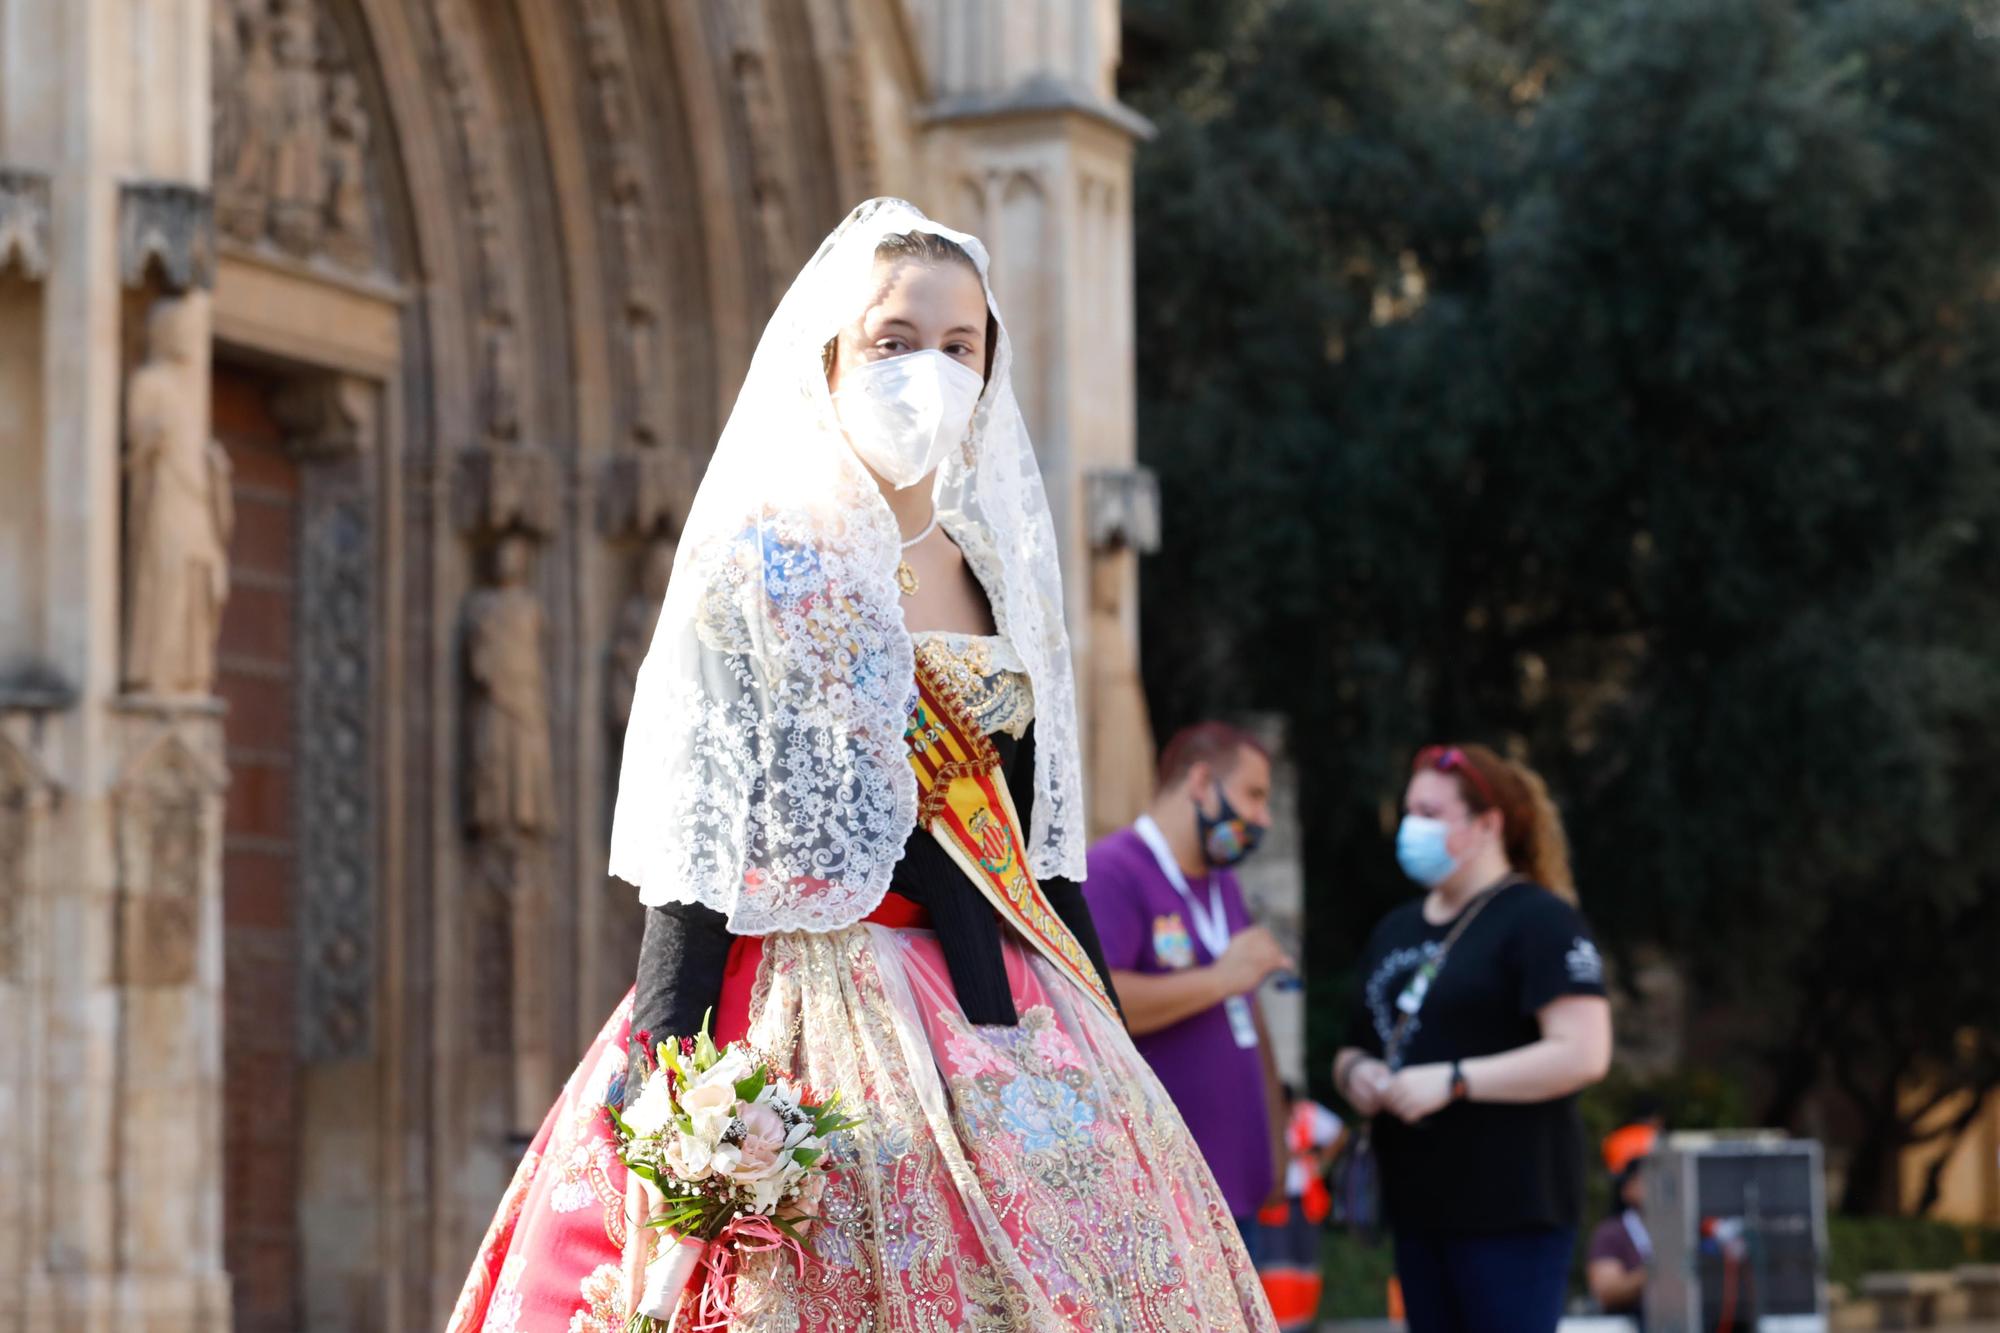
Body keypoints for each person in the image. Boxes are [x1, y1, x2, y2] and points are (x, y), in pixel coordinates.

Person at [446, 199, 1279, 1333]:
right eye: (895, 340)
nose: (926, 372)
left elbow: (1041, 857)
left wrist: (1116, 1070)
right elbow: (701, 845)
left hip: (1013, 1010)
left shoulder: (996, 573)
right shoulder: (763, 553)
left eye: (958, 346)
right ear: (832, 355)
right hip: (807, 1001)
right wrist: (664, 1069)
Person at [1333, 744, 1613, 1333]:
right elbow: (1354, 1044)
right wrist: (1356, 1075)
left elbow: (1584, 1052)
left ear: (1487, 825)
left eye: (1432, 813)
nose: (1413, 827)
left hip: (1510, 1210)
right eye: (1410, 810)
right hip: (1418, 1206)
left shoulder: (1539, 920)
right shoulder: (1397, 926)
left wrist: (1457, 1081)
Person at [1082, 722, 1296, 1237]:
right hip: (1163, 1192)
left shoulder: (1223, 883)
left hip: (1238, 1182)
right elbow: (1097, 1002)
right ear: (1201, 784)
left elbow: (1247, 1013)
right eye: (1254, 795)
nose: (1262, 817)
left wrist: (1275, 1139)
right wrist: (1223, 978)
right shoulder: (1111, 870)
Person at [1252, 1084, 1347, 1331]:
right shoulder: (1260, 1115)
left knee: (1306, 1266)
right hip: (1273, 1205)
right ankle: (1276, 1324)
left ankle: (1303, 1323)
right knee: (1275, 1267)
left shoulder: (1306, 1114)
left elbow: (1339, 1132)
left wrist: (1321, 1162)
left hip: (1306, 1204)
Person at [1587, 1120, 1660, 1321]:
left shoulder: (1693, 1226)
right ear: (1626, 1187)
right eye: (1647, 1175)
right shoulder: (1612, 1232)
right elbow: (1606, 1291)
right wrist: (1658, 1272)